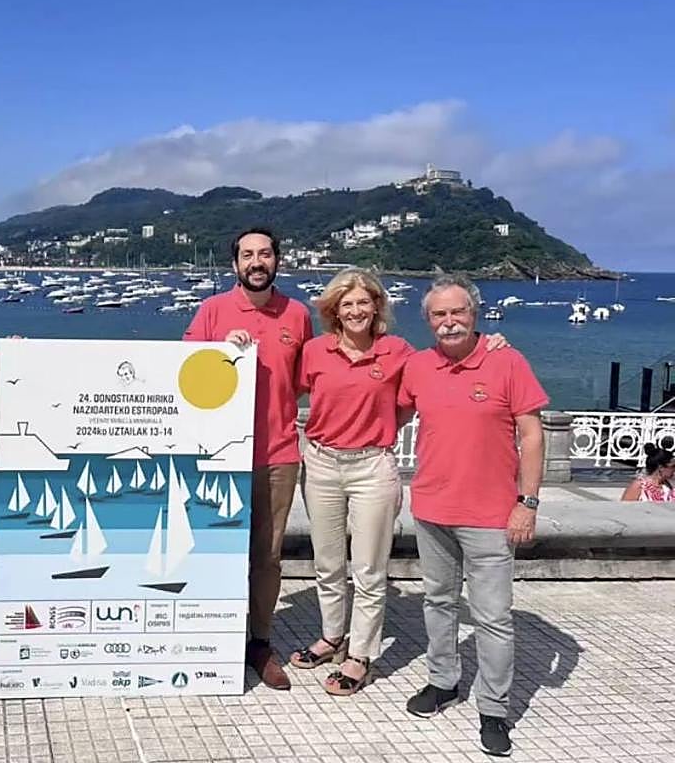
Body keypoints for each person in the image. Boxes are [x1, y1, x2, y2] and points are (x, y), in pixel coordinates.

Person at [291, 268, 509, 695]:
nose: (356, 311)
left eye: (363, 302)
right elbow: (284, 389)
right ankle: (332, 636)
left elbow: (445, 361)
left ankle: (360, 655)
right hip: (320, 463)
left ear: (377, 307)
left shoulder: (398, 352)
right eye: (347, 304)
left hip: (372, 466)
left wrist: (492, 344)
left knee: (369, 568)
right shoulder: (315, 351)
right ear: (335, 310)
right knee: (327, 563)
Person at [397, 273, 548, 758]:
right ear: (428, 321)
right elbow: (389, 412)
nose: (449, 321)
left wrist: (527, 502)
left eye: (457, 311)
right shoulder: (418, 366)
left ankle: (494, 710)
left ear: (475, 313)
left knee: (493, 618)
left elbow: (532, 436)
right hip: (432, 507)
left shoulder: (508, 361)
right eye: (439, 314)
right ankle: (443, 682)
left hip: (490, 514)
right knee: (438, 602)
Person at [184, 226, 313, 691]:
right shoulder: (212, 311)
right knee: (212, 548)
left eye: (264, 254)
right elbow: (183, 373)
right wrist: (217, 352)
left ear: (277, 260)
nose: (256, 262)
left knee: (267, 556)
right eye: (247, 255)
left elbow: (304, 381)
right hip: (218, 455)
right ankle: (210, 635)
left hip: (278, 453)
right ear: (235, 264)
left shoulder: (298, 314)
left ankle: (259, 641)